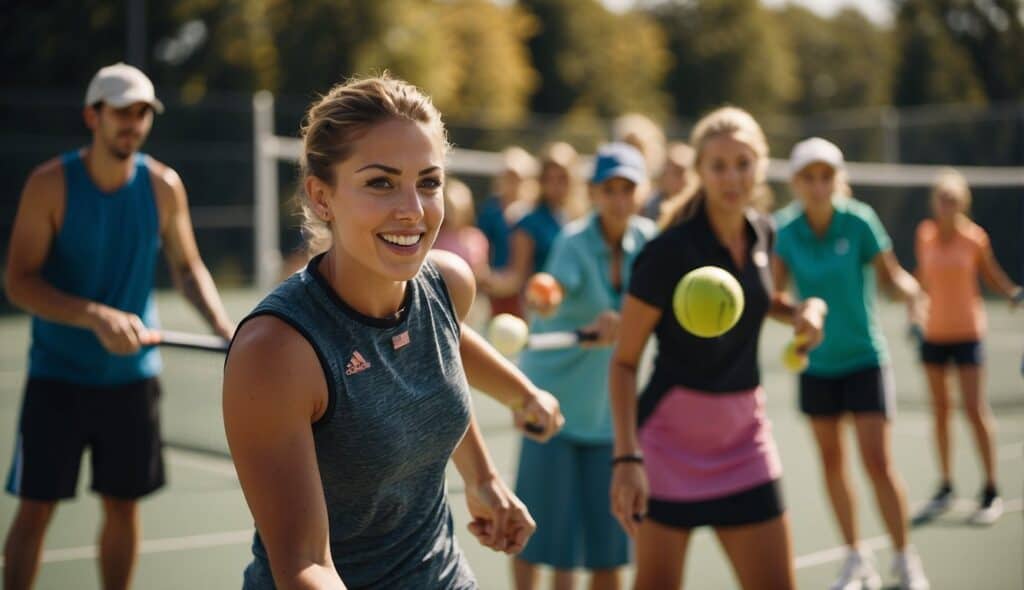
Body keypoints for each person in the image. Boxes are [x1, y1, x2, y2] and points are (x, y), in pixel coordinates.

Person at [222, 75, 565, 589]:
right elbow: (304, 566)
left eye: (428, 182)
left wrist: (486, 474)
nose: (413, 210)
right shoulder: (276, 352)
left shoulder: (448, 285)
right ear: (322, 197)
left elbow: (441, 353)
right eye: (380, 182)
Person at [3, 62, 234, 590]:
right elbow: (19, 281)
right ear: (93, 115)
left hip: (131, 380)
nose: (132, 123)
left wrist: (225, 328)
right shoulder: (49, 185)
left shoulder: (162, 186)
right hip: (57, 378)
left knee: (124, 509)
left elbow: (187, 266)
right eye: (121, 112)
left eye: (142, 114)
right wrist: (94, 315)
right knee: (36, 510)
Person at [609, 107, 824, 590]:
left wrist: (803, 310)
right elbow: (624, 363)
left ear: (762, 166)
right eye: (719, 165)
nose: (732, 177)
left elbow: (758, 298)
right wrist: (627, 460)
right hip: (667, 446)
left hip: (745, 440)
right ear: (700, 172)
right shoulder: (667, 252)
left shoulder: (764, 232)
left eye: (743, 163)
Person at [773, 137, 930, 590]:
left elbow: (891, 276)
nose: (818, 186)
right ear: (796, 183)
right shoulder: (785, 229)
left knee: (877, 462)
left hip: (865, 359)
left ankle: (904, 558)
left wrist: (912, 293)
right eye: (809, 177)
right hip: (816, 364)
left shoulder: (859, 221)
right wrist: (795, 318)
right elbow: (776, 295)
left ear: (836, 180)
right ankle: (856, 559)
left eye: (826, 176)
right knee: (831, 462)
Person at [512, 143, 656, 590]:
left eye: (627, 188)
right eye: (609, 189)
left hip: (610, 416)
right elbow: (552, 290)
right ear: (594, 193)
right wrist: (543, 295)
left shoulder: (651, 242)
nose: (618, 198)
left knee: (608, 549)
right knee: (538, 537)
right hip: (552, 403)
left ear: (641, 193)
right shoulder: (573, 241)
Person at [912, 168, 1023, 526]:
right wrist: (913, 304)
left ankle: (990, 490)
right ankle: (945, 485)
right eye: (942, 199)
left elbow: (990, 275)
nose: (947, 205)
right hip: (933, 334)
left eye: (954, 200)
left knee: (974, 410)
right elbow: (920, 279)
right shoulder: (925, 236)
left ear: (963, 204)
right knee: (941, 412)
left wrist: (1012, 293)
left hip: (968, 334)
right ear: (934, 203)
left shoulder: (975, 239)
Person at [480, 142, 581, 306]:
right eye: (549, 179)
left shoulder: (579, 218)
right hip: (540, 310)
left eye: (562, 178)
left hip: (574, 307)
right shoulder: (529, 221)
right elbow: (517, 276)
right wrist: (484, 281)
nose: (556, 185)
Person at [475, 146, 538, 318]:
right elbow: (481, 244)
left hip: (522, 293)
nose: (511, 182)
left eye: (516, 177)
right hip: (492, 286)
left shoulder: (532, 214)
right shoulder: (490, 211)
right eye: (507, 176)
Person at [433, 178, 490, 276]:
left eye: (457, 208)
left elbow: (482, 271)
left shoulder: (477, 237)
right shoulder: (435, 236)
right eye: (449, 207)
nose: (452, 213)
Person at [639, 142, 694, 221]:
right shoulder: (649, 208)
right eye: (677, 172)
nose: (685, 178)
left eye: (689, 172)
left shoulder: (699, 207)